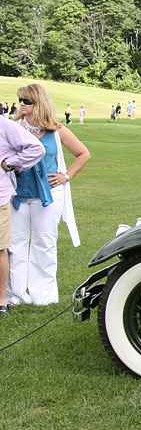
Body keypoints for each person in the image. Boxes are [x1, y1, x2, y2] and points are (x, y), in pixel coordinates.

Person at [8, 83, 90, 307]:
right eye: (20, 100)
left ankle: (43, 296)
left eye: (27, 101)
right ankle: (15, 296)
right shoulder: (13, 126)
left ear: (39, 103)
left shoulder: (56, 129)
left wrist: (66, 176)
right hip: (18, 195)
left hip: (49, 195)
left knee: (44, 245)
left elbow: (83, 153)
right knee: (15, 246)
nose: (21, 104)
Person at [0, 115, 45, 316]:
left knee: (0, 249)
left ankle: (1, 302)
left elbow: (36, 148)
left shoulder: (4, 124)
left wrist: (10, 163)